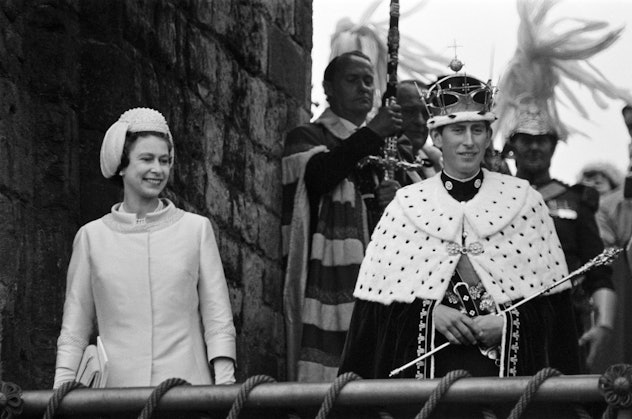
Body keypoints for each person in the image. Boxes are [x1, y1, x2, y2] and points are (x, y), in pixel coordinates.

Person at [339, 74, 568, 382]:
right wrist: (429, 315)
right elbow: (374, 318)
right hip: (425, 385)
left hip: (505, 385)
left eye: (477, 130)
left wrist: (508, 325)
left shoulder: (527, 202)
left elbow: (556, 313)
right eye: (458, 130)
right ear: (436, 137)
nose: (468, 142)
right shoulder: (405, 206)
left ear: (489, 137)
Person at [54, 108, 236, 388]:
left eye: (164, 160)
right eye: (147, 159)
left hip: (187, 393)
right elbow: (75, 327)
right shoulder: (91, 237)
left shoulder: (196, 230)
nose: (158, 169)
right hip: (115, 397)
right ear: (122, 165)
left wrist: (225, 384)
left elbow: (217, 316)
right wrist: (61, 388)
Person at [282, 51, 402, 382]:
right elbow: (320, 176)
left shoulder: (385, 152)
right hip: (327, 280)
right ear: (328, 88)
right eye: (352, 80)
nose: (364, 88)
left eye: (369, 81)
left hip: (376, 281)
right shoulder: (308, 136)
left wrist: (391, 201)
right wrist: (372, 133)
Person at [509, 126, 616, 374]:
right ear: (512, 145)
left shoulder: (577, 200)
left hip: (566, 322)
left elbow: (599, 270)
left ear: (554, 145)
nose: (534, 147)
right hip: (505, 321)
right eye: (526, 140)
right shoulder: (491, 197)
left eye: (542, 140)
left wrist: (605, 325)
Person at [395, 80, 442, 182]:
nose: (420, 121)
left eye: (426, 113)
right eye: (409, 111)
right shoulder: (376, 159)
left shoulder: (437, 160)